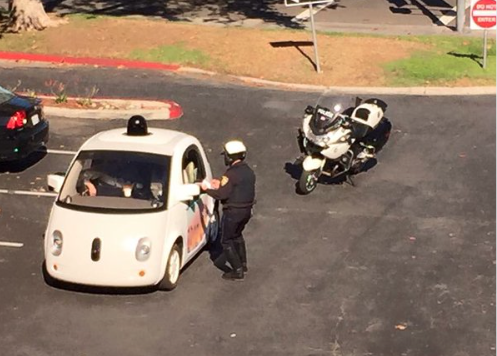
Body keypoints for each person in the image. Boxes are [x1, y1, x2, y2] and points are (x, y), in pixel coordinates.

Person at [201, 140, 256, 281]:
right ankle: (243, 264)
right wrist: (220, 184)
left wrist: (207, 189)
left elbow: (222, 195)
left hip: (233, 212)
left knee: (226, 240)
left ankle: (237, 270)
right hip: (246, 211)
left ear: (230, 157)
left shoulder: (230, 174)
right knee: (237, 235)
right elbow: (237, 188)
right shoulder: (248, 171)